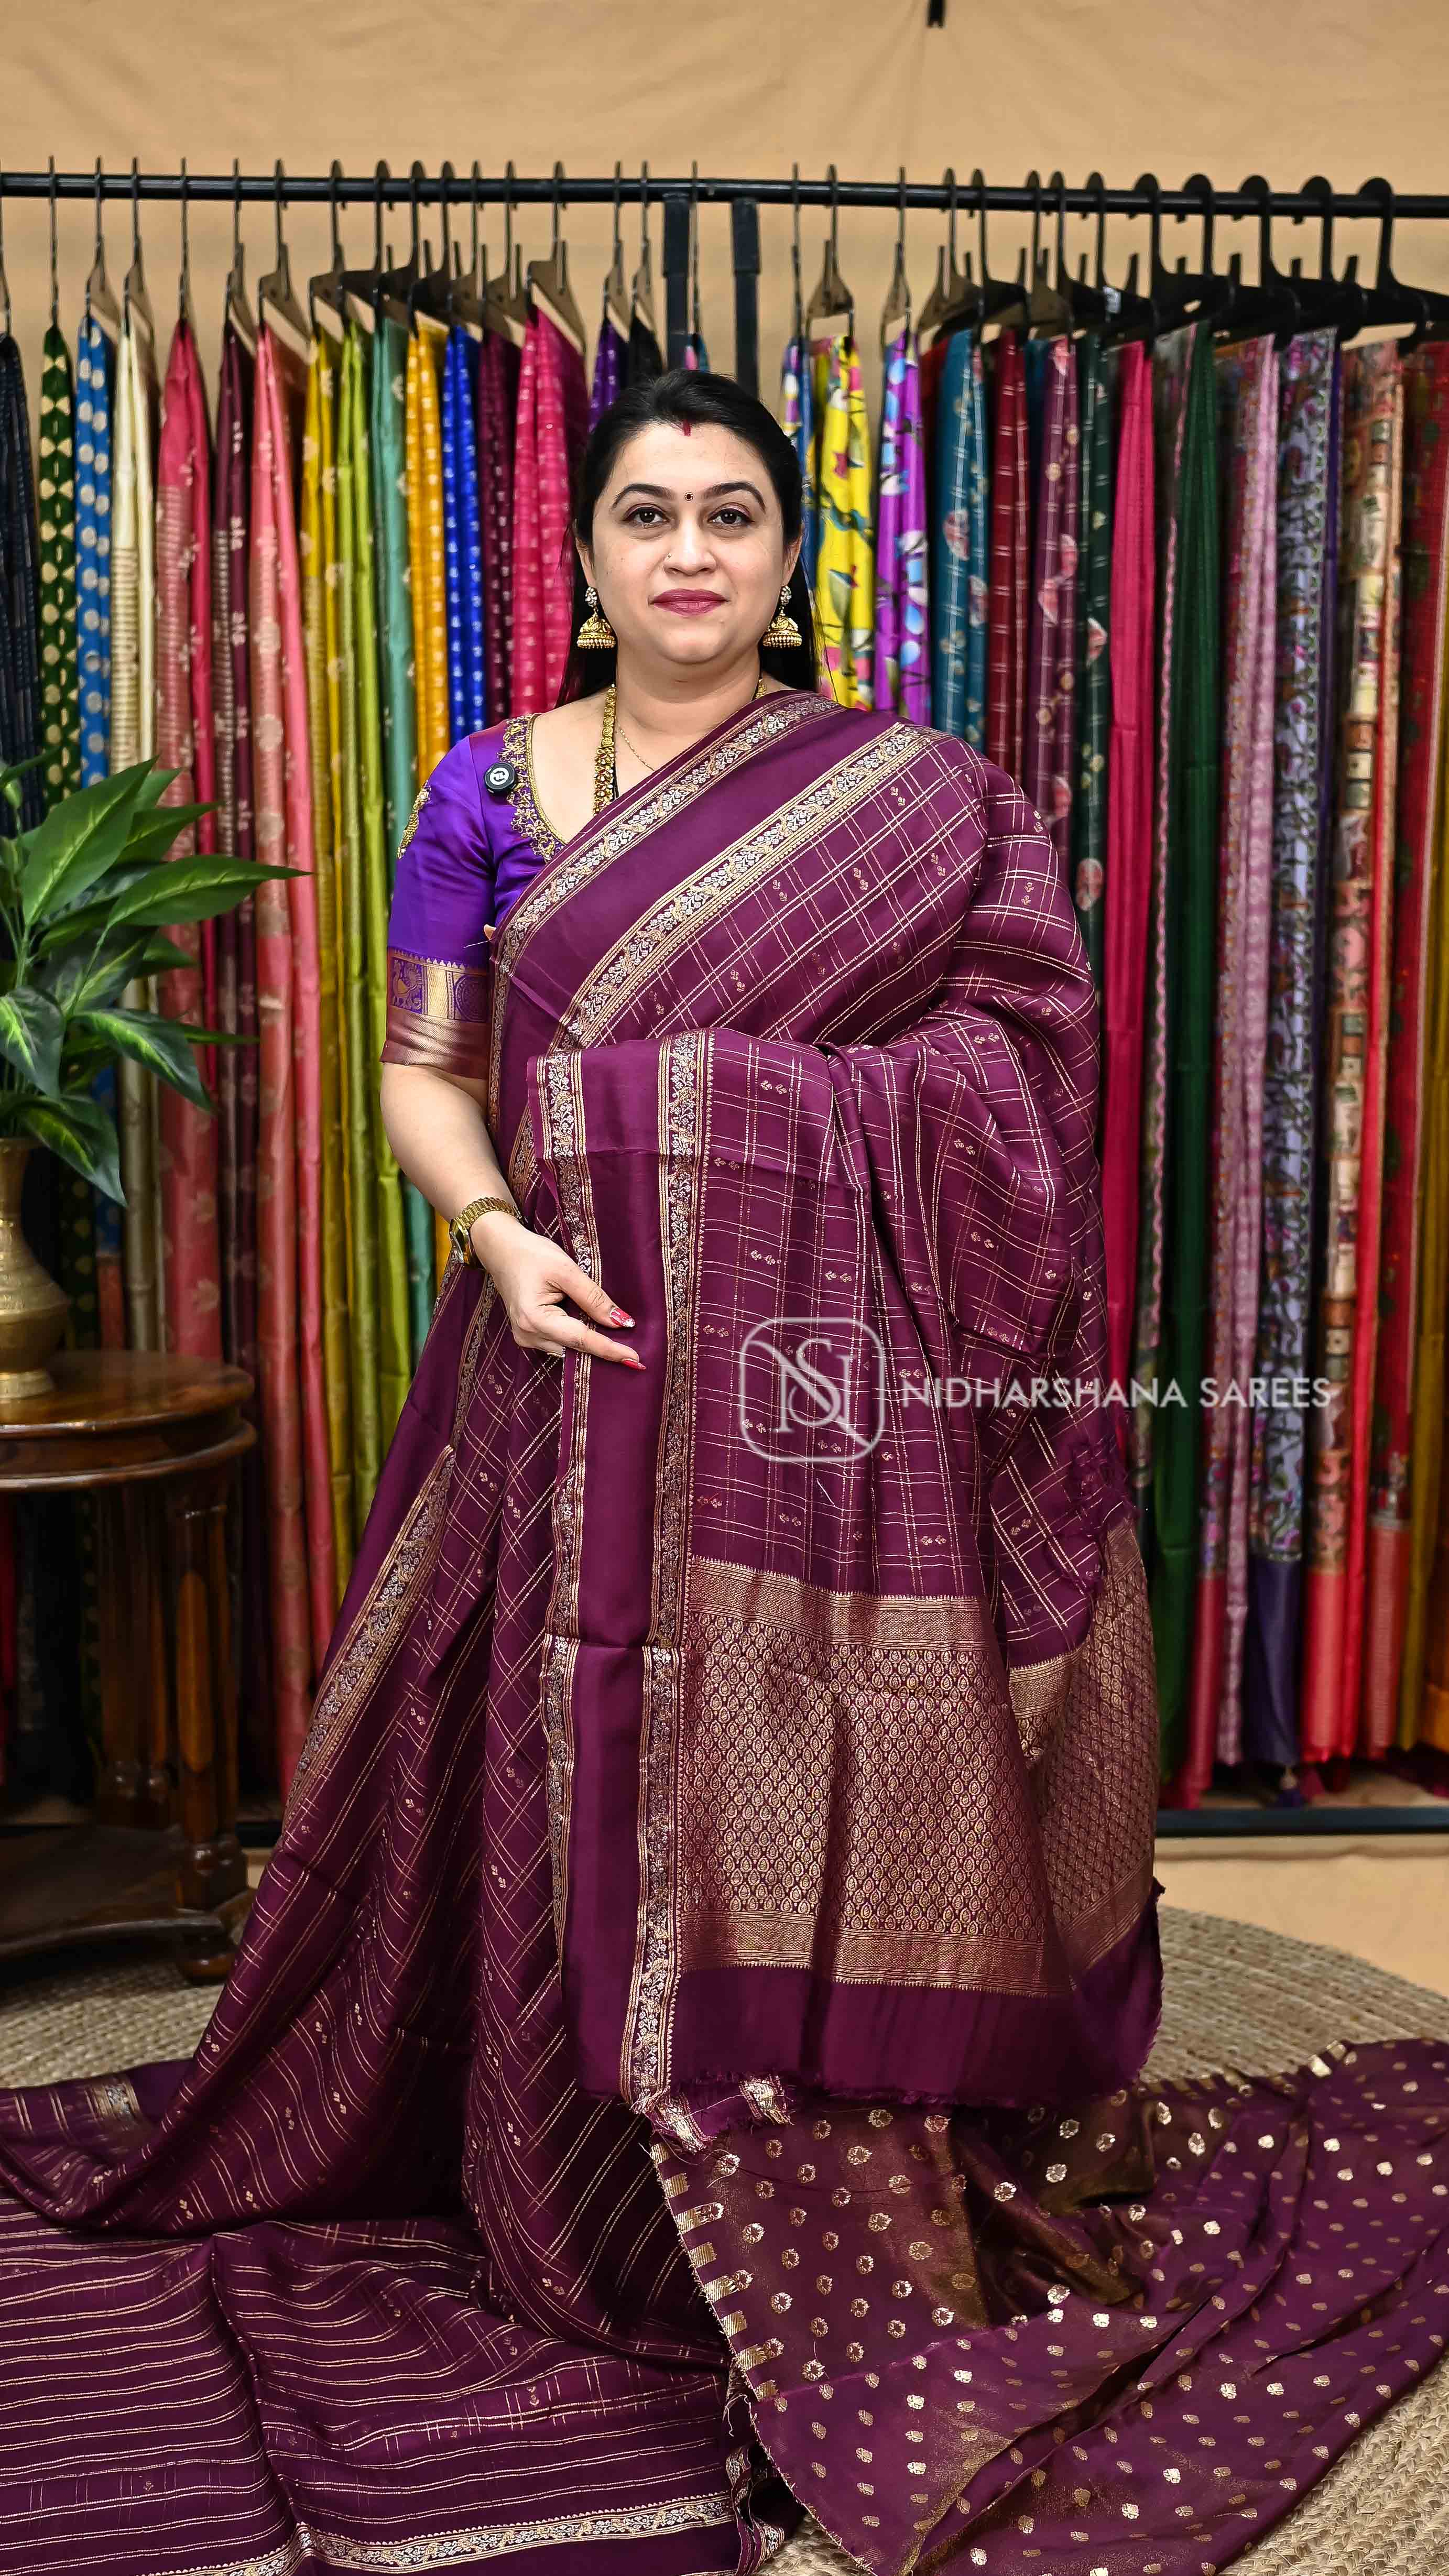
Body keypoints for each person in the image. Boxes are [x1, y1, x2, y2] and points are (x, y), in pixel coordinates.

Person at [0, 369, 1444, 2576]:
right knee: (534, 1762)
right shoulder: (488, 787)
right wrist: (501, 1231)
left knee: (806, 1758)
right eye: (649, 514)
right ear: (585, 558)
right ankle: (553, 2167)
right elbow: (422, 1067)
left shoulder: (917, 800)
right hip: (562, 1357)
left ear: (789, 556)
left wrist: (715, 1118)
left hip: (809, 1391)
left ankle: (791, 2185)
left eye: (734, 514)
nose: (690, 552)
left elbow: (1026, 1067)